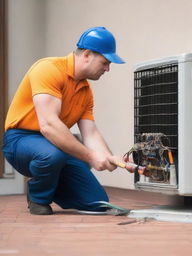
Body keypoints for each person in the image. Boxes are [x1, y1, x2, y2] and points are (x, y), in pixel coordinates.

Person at [2, 26, 134, 215]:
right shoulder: (48, 69)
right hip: (21, 140)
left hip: (55, 145)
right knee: (51, 155)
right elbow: (48, 126)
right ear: (87, 54)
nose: (107, 69)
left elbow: (90, 132)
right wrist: (90, 156)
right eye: (105, 62)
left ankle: (50, 179)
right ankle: (38, 197)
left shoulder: (86, 91)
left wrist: (109, 157)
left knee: (98, 202)